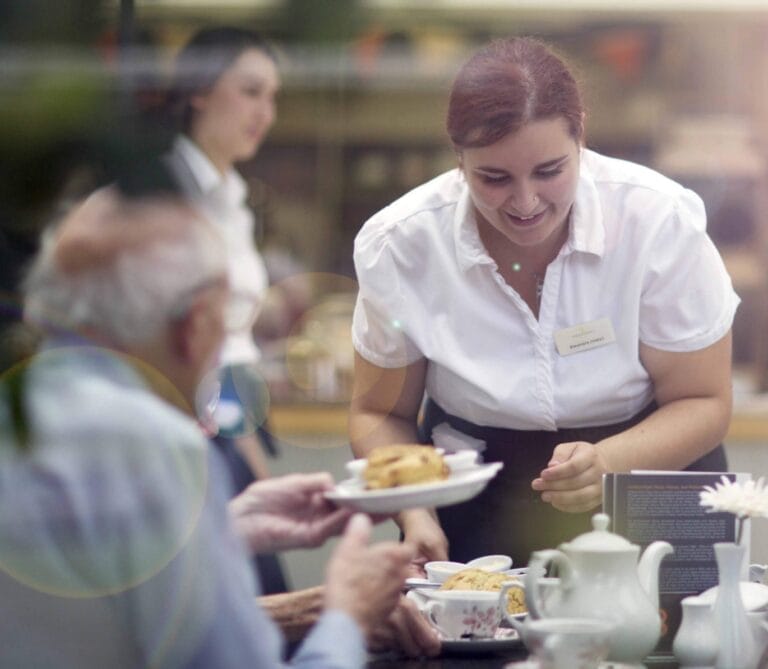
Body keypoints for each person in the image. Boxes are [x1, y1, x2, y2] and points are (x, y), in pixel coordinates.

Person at [348, 36, 740, 569]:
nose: (526, 202)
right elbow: (378, 412)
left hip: (652, 472)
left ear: (580, 130)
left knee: (677, 647)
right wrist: (415, 513)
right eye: (494, 178)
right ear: (458, 157)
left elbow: (705, 402)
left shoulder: (657, 222)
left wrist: (609, 462)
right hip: (476, 491)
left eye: (550, 170)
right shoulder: (403, 244)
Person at [0, 187, 415, 668]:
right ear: (194, 326)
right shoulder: (154, 444)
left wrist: (225, 529)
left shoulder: (22, 407)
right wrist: (347, 617)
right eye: (230, 318)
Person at [163, 24, 286, 592]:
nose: (266, 110)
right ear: (199, 91)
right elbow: (191, 341)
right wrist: (241, 444)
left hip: (229, 418)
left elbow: (234, 333)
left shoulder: (229, 195)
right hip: (190, 429)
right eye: (251, 91)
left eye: (273, 96)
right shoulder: (165, 192)